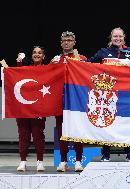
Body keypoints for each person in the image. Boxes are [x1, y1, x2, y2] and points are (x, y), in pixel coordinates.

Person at [87, 27, 130, 162]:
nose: (117, 39)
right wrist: (75, 62)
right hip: (108, 95)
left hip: (126, 95)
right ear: (111, 38)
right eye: (115, 36)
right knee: (108, 123)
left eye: (120, 36)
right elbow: (88, 64)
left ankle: (129, 152)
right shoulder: (103, 52)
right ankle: (106, 153)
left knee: (126, 123)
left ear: (124, 37)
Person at [51, 31, 86, 172]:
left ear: (74, 42)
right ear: (61, 43)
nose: (67, 42)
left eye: (69, 40)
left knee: (77, 131)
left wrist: (80, 63)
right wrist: (51, 66)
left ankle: (78, 161)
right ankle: (63, 161)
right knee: (62, 132)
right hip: (61, 101)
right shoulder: (55, 59)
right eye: (64, 40)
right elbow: (47, 79)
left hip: (76, 102)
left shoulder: (81, 57)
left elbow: (87, 75)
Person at [14, 46, 47, 172]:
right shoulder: (25, 68)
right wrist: (18, 62)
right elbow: (15, 76)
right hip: (23, 107)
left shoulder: (47, 69)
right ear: (31, 55)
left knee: (38, 135)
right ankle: (23, 161)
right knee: (23, 135)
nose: (36, 54)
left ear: (43, 56)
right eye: (34, 52)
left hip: (38, 107)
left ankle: (40, 161)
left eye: (39, 53)